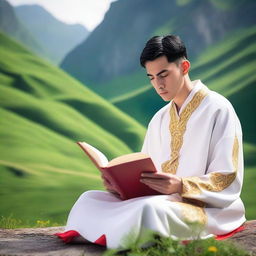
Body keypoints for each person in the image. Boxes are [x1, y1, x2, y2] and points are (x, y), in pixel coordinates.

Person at [55, 35, 246, 249]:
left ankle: (119, 238)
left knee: (148, 211)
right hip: (159, 201)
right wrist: (120, 186)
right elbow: (145, 174)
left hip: (206, 208)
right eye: (151, 78)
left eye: (163, 74)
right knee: (89, 199)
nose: (158, 84)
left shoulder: (219, 109)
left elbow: (228, 178)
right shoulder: (160, 118)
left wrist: (181, 185)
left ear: (184, 66)